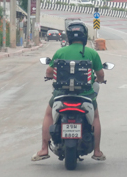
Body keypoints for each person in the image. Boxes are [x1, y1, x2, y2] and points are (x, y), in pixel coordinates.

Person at [32, 20, 106, 162]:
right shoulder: (91, 53)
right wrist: (99, 80)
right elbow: (101, 75)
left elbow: (49, 71)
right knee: (95, 117)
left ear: (69, 36)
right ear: (84, 36)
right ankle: (97, 151)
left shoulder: (60, 52)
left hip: (61, 94)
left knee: (48, 114)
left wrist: (49, 76)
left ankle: (43, 149)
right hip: (86, 95)